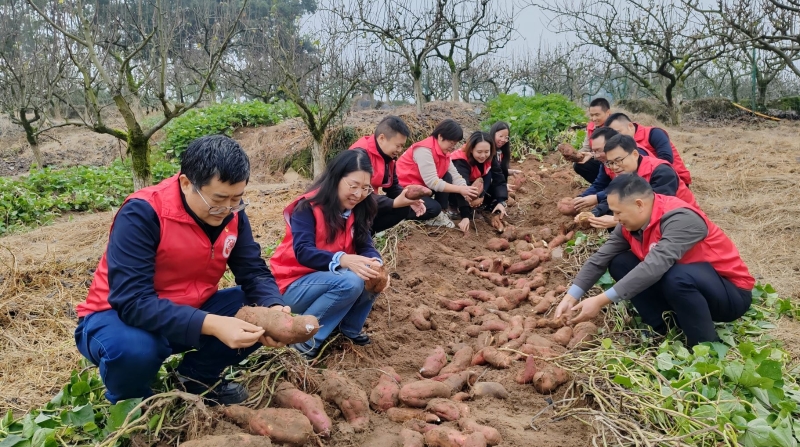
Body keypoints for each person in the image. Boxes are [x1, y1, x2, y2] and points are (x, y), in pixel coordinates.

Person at [75, 135, 289, 405]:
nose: (227, 209)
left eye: (237, 199)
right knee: (134, 351)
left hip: (188, 309)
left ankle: (197, 378)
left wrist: (274, 308)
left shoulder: (230, 213)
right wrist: (212, 324)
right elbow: (132, 301)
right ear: (186, 183)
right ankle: (132, 402)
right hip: (117, 316)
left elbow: (253, 270)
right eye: (218, 199)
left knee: (259, 309)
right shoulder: (142, 213)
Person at [555, 174, 754, 347]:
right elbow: (600, 259)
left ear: (639, 204)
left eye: (618, 212)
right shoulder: (629, 225)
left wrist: (600, 301)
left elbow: (654, 267)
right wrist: (571, 297)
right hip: (684, 288)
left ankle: (703, 346)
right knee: (620, 262)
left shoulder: (680, 218)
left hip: (729, 294)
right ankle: (664, 328)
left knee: (677, 276)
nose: (614, 218)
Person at [270, 150, 383, 359]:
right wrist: (342, 259)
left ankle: (347, 330)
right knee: (350, 281)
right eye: (353, 186)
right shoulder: (307, 208)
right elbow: (303, 251)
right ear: (336, 178)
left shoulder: (358, 210)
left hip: (328, 280)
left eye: (365, 188)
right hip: (291, 284)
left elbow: (365, 245)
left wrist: (376, 264)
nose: (358, 194)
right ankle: (304, 342)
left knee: (372, 275)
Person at [577, 134, 699, 230]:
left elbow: (658, 209)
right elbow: (612, 197)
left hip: (681, 221)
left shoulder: (661, 172)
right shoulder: (625, 173)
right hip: (651, 218)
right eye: (610, 163)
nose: (615, 167)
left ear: (635, 154)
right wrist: (593, 214)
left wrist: (617, 221)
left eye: (618, 160)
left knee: (619, 217)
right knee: (616, 210)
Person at [348, 116, 430, 233]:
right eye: (398, 145)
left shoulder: (388, 157)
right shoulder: (359, 155)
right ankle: (358, 235)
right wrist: (393, 203)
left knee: (403, 208)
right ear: (382, 138)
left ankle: (368, 234)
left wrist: (409, 200)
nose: (400, 150)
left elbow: (393, 187)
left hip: (368, 202)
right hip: (354, 203)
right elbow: (359, 194)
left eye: (402, 146)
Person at [396, 119, 480, 228]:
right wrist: (459, 189)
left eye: (455, 144)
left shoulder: (444, 152)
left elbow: (455, 174)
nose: (453, 147)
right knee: (433, 208)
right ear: (440, 136)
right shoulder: (424, 150)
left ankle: (441, 212)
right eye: (451, 143)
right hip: (405, 190)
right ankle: (403, 216)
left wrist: (465, 189)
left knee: (447, 176)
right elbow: (432, 182)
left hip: (421, 188)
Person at [605, 113, 692, 185]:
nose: (616, 137)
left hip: (673, 179)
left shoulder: (654, 133)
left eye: (618, 132)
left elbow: (666, 158)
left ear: (630, 126)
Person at [449, 131, 508, 233]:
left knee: (489, 174)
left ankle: (477, 207)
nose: (483, 155)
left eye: (486, 151)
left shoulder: (490, 156)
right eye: (479, 152)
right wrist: (465, 216)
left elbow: (499, 178)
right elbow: (462, 187)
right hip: (455, 189)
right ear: (471, 149)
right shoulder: (461, 160)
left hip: (474, 184)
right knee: (460, 189)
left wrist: (501, 201)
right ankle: (454, 206)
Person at [573, 98, 612, 183]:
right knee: (579, 165)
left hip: (613, 161)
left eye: (597, 115)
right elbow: (586, 147)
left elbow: (614, 152)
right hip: (599, 159)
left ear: (608, 112)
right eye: (591, 115)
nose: (594, 118)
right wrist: (575, 155)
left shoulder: (614, 127)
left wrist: (592, 155)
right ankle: (601, 186)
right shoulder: (591, 127)